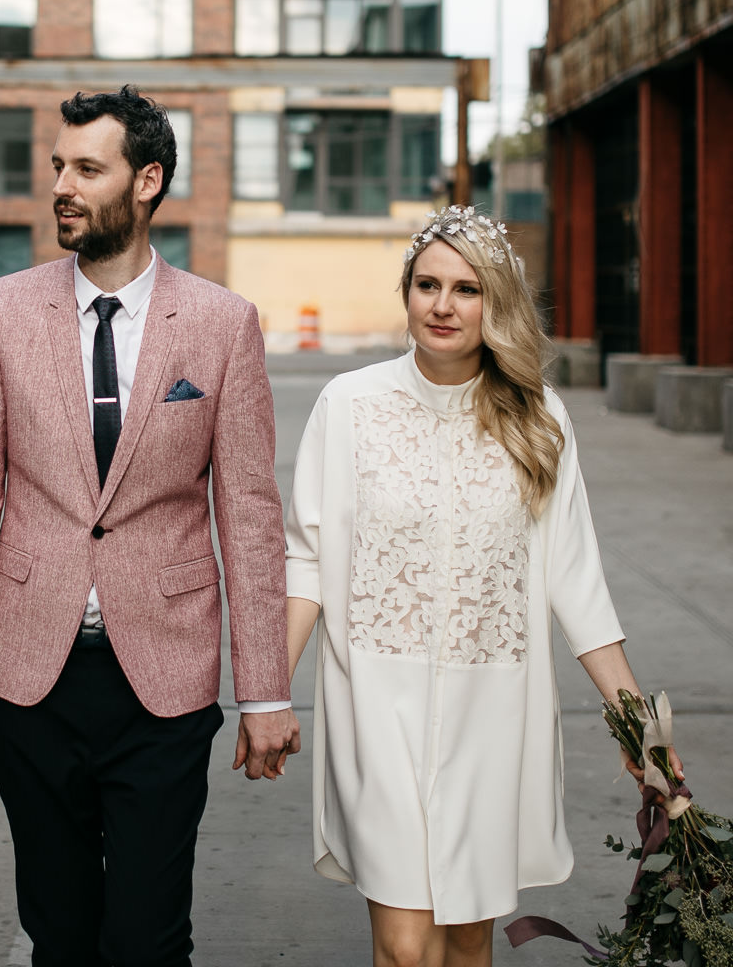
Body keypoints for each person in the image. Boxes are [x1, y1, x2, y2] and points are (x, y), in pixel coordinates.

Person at [0, 86, 300, 967]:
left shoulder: (221, 324)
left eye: (87, 168)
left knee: (146, 937)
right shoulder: (2, 312)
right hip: (28, 680)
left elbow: (247, 515)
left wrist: (266, 690)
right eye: (58, 165)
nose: (62, 184)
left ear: (147, 181)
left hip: (162, 684)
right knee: (58, 933)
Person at [283, 205, 683, 967]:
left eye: (466, 289)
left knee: (466, 945)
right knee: (405, 948)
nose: (442, 305)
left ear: (495, 303)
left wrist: (642, 732)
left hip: (493, 712)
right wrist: (270, 692)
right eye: (427, 285)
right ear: (406, 293)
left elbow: (578, 583)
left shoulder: (539, 419)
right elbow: (308, 553)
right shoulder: (349, 406)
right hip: (375, 702)